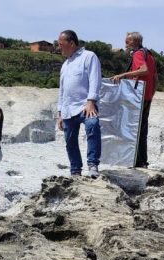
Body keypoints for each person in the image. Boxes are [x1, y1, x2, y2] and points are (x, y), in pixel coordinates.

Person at [57, 29, 102, 178]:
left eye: (60, 44)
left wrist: (91, 101)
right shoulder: (65, 64)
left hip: (85, 105)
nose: (59, 47)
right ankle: (75, 171)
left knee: (92, 126)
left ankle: (93, 165)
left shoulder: (89, 56)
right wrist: (59, 113)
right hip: (68, 109)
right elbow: (62, 90)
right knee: (70, 141)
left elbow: (95, 79)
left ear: (71, 43)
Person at [111, 31, 158, 168]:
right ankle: (142, 162)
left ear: (136, 42)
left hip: (139, 96)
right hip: (147, 96)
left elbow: (144, 70)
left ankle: (136, 161)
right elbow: (155, 78)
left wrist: (123, 74)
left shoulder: (138, 54)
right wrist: (151, 94)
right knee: (142, 131)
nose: (125, 44)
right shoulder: (149, 54)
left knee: (134, 130)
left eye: (127, 42)